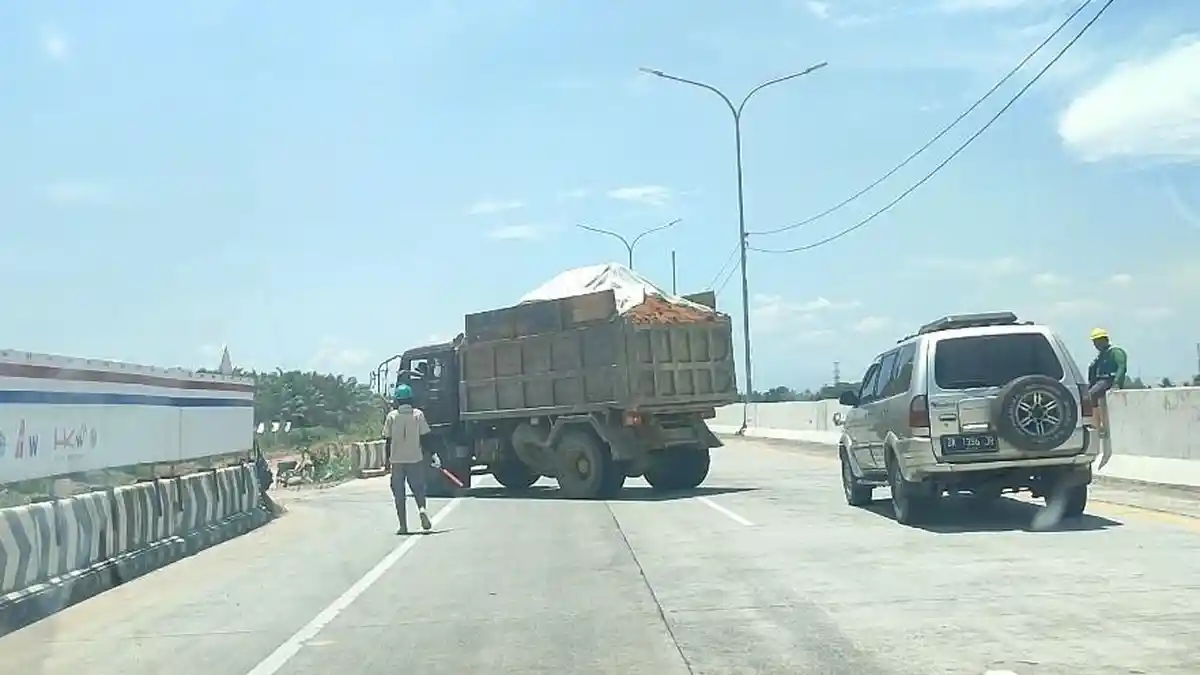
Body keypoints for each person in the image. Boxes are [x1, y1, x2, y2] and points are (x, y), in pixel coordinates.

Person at [382, 384, 433, 534]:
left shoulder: (391, 416)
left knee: (399, 493)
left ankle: (403, 526)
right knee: (418, 488)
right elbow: (425, 438)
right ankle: (422, 509)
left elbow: (388, 441)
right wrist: (430, 454)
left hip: (397, 460)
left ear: (397, 400)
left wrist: (386, 462)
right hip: (415, 458)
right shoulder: (418, 415)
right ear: (411, 399)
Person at [1086, 327, 1128, 441]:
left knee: (1092, 394)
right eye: (1094, 342)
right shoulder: (1101, 355)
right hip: (1100, 380)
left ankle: (1099, 426)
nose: (1096, 344)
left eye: (1098, 341)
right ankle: (1096, 422)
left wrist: (1116, 383)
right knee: (1088, 395)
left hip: (1109, 379)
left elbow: (1122, 367)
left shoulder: (1115, 351)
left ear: (1105, 340)